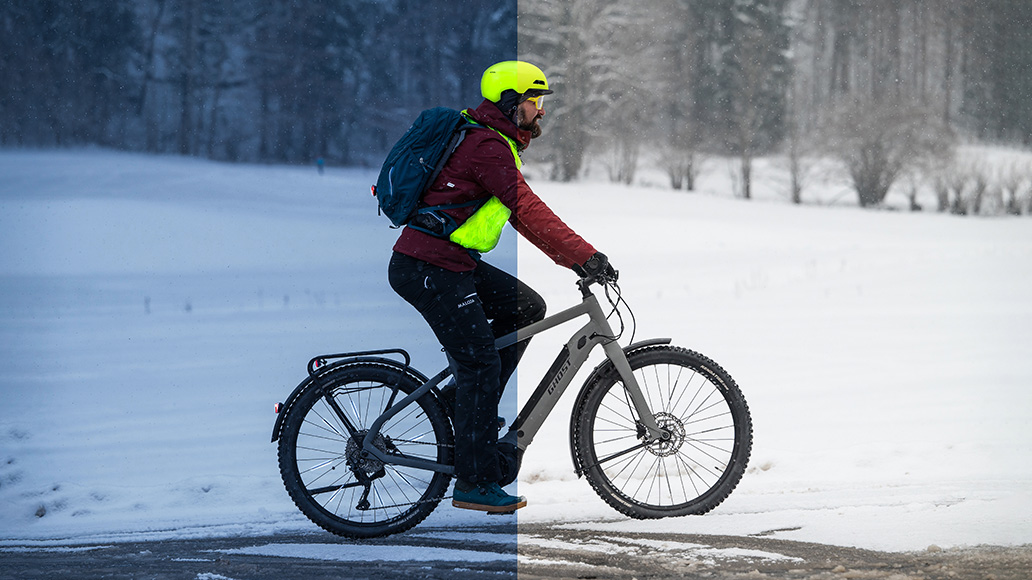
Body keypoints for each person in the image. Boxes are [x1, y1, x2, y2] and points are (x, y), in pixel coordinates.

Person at [387, 61, 616, 513]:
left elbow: (519, 217)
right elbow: (527, 208)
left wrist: (571, 258)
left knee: (527, 307)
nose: (542, 111)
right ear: (512, 103)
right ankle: (473, 481)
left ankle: (461, 403)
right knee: (479, 366)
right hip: (429, 267)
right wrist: (584, 255)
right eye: (536, 101)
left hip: (453, 263)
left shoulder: (496, 143)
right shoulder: (486, 147)